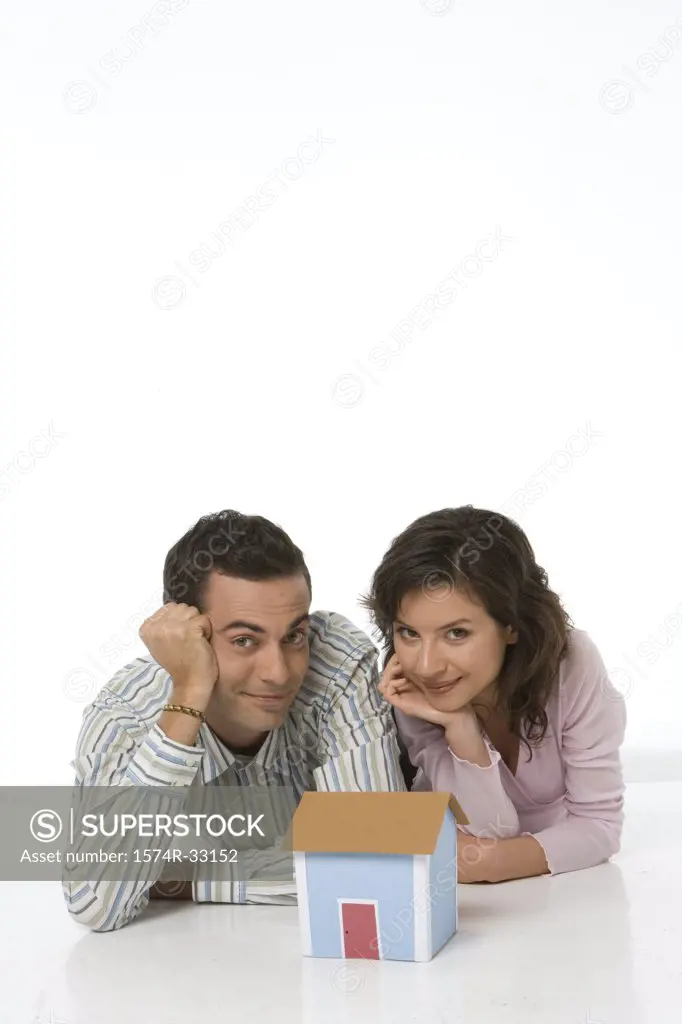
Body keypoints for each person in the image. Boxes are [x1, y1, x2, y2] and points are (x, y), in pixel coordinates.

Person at [63, 510, 404, 931]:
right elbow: (95, 903)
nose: (278, 672)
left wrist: (182, 880)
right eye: (245, 640)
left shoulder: (333, 660)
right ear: (191, 639)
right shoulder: (126, 716)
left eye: (293, 636)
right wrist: (188, 694)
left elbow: (384, 861)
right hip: (185, 980)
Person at [362, 506, 627, 883]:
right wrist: (460, 727)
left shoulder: (572, 665)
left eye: (456, 633)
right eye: (408, 633)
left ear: (512, 626)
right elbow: (487, 830)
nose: (426, 665)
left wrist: (488, 863)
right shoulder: (410, 689)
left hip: (562, 903)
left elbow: (599, 826)